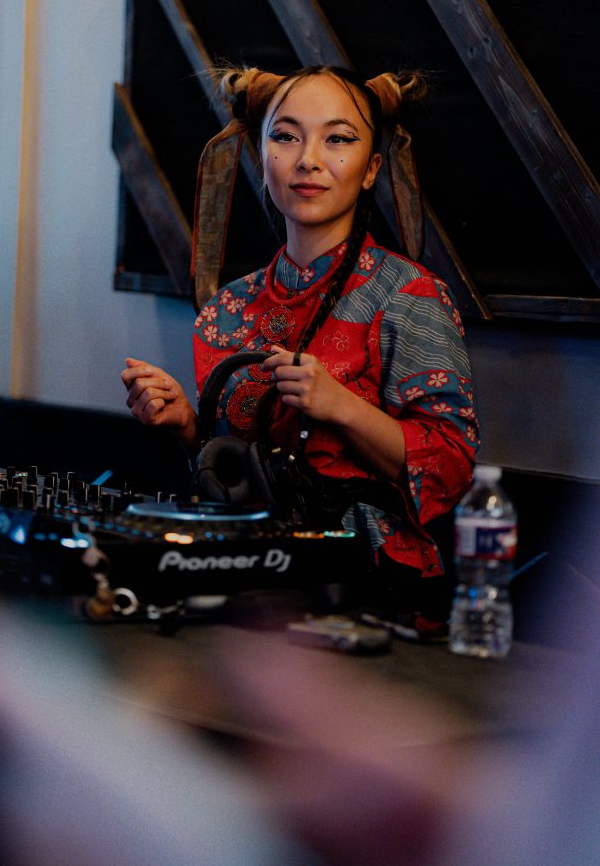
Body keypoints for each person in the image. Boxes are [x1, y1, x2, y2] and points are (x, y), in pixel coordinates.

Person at [121, 65, 479, 623]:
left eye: (338, 139)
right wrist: (187, 425)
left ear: (371, 169)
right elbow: (236, 474)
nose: (308, 159)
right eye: (286, 136)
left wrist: (340, 406)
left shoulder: (409, 296)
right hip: (245, 579)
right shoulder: (226, 312)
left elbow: (451, 466)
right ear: (262, 158)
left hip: (373, 594)